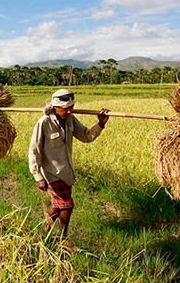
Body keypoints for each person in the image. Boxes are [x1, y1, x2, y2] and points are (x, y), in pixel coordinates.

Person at [28, 89, 109, 245]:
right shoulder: (44, 123)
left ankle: (43, 233)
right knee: (67, 205)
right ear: (55, 107)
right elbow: (34, 150)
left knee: (57, 208)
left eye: (71, 106)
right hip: (51, 173)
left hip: (66, 173)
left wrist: (100, 124)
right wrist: (37, 176)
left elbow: (86, 136)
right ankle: (63, 239)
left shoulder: (71, 120)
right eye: (65, 108)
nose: (69, 110)